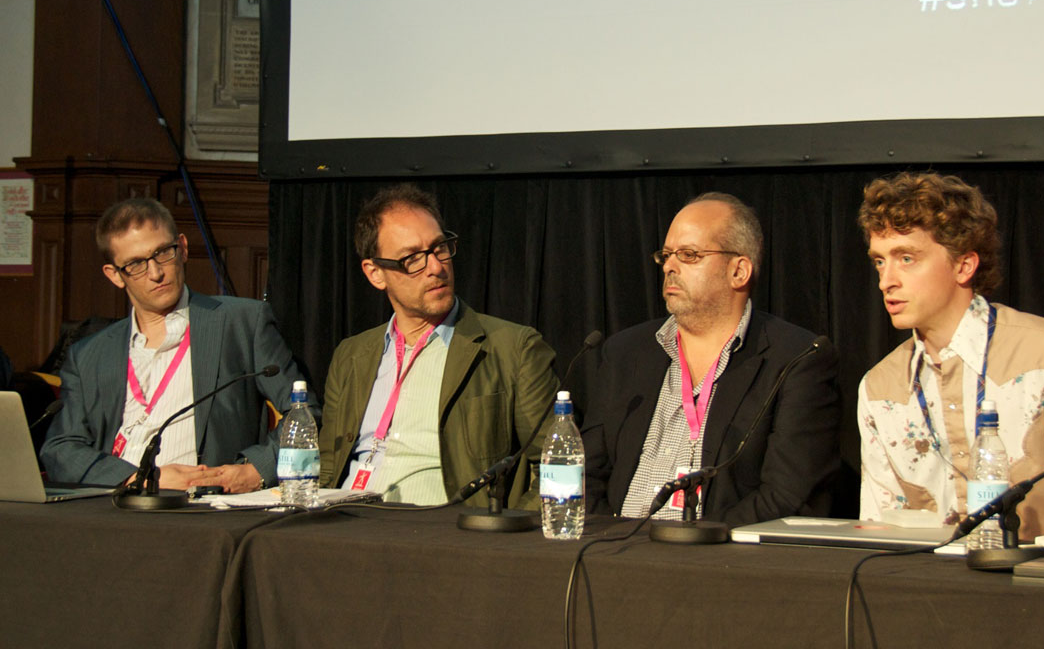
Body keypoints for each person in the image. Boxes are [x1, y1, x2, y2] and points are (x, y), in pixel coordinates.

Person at [856, 171, 1044, 538]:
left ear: (964, 265)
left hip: (1042, 579)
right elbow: (880, 530)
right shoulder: (878, 387)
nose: (887, 280)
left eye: (906, 258)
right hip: (929, 585)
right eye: (880, 261)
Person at [581, 192, 840, 525]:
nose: (670, 267)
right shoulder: (625, 352)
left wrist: (693, 543)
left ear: (739, 271)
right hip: (615, 551)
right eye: (666, 255)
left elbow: (788, 497)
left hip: (717, 562)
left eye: (689, 255)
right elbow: (585, 472)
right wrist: (609, 539)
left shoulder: (797, 359)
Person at [40, 198, 307, 492]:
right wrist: (137, 480)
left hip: (202, 508)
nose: (155, 273)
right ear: (114, 275)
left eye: (162, 253)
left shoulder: (241, 322)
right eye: (135, 264)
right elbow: (61, 448)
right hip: (114, 507)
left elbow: (305, 414)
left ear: (182, 248)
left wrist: (254, 471)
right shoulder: (89, 354)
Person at [318, 185, 558, 506]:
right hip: (344, 524)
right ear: (375, 273)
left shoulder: (513, 349)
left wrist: (503, 538)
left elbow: (559, 465)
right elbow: (327, 468)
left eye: (439, 248)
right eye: (412, 258)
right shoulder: (350, 355)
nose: (436, 267)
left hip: (443, 537)